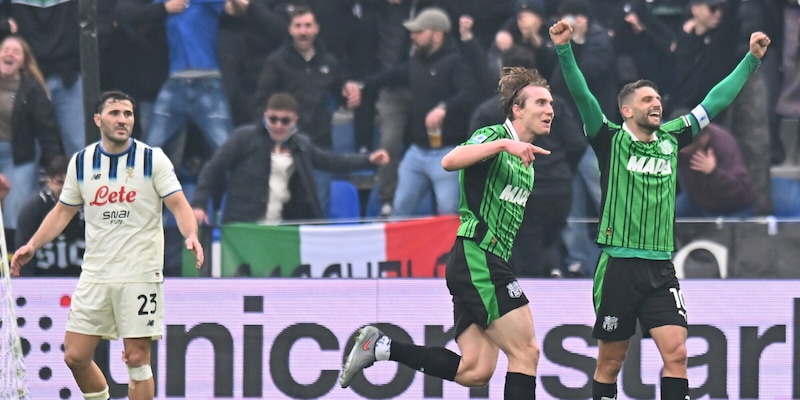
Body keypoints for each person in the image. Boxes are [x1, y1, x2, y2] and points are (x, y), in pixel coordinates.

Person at [550, 17, 770, 400]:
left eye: (657, 99)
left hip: (660, 267)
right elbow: (582, 95)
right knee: (611, 362)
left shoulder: (672, 137)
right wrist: (565, 50)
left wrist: (750, 59)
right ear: (626, 111)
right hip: (618, 266)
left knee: (677, 353)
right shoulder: (608, 139)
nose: (657, 104)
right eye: (647, 100)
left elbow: (715, 101)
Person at [340, 66, 553, 399]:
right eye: (540, 102)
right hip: (478, 256)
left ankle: (381, 347)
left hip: (482, 262)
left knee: (475, 371)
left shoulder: (526, 160)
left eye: (550, 103)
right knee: (526, 352)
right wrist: (502, 145)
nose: (550, 109)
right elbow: (450, 160)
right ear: (517, 110)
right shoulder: (494, 136)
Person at [10, 91, 203, 400]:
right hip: (96, 274)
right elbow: (63, 211)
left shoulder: (152, 159)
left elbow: (179, 204)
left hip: (139, 274)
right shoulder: (82, 162)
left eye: (128, 114)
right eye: (115, 113)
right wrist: (33, 245)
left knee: (137, 359)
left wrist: (190, 234)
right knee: (75, 355)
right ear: (98, 119)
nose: (123, 119)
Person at [345, 7, 481, 217]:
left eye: (419, 32)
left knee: (448, 211)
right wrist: (360, 86)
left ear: (437, 34)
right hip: (417, 151)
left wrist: (444, 108)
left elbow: (470, 93)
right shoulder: (416, 62)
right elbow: (389, 76)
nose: (413, 36)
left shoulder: (456, 63)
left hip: (448, 151)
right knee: (399, 210)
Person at [191, 92, 389, 224]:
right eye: (273, 119)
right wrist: (199, 204)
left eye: (285, 121)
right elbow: (213, 168)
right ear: (265, 117)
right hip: (245, 226)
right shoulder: (244, 138)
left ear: (295, 121)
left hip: (282, 229)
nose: (278, 125)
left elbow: (330, 161)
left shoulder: (300, 145)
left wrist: (368, 160)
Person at [0, 34, 64, 233]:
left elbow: (46, 129)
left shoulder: (32, 90)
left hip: (18, 156)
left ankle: (14, 249)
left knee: (15, 209)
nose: (9, 54)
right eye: (5, 50)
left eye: (16, 52)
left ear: (23, 62)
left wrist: (55, 166)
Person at [15, 154, 85, 276]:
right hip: (42, 282)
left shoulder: (90, 207)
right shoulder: (32, 209)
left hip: (83, 281)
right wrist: (27, 285)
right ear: (49, 182)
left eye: (70, 183)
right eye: (60, 182)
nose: (65, 189)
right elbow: (23, 259)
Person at [676, 121, 756, 218]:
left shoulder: (724, 145)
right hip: (696, 201)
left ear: (703, 139)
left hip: (731, 207)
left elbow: (740, 190)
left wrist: (713, 171)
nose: (681, 151)